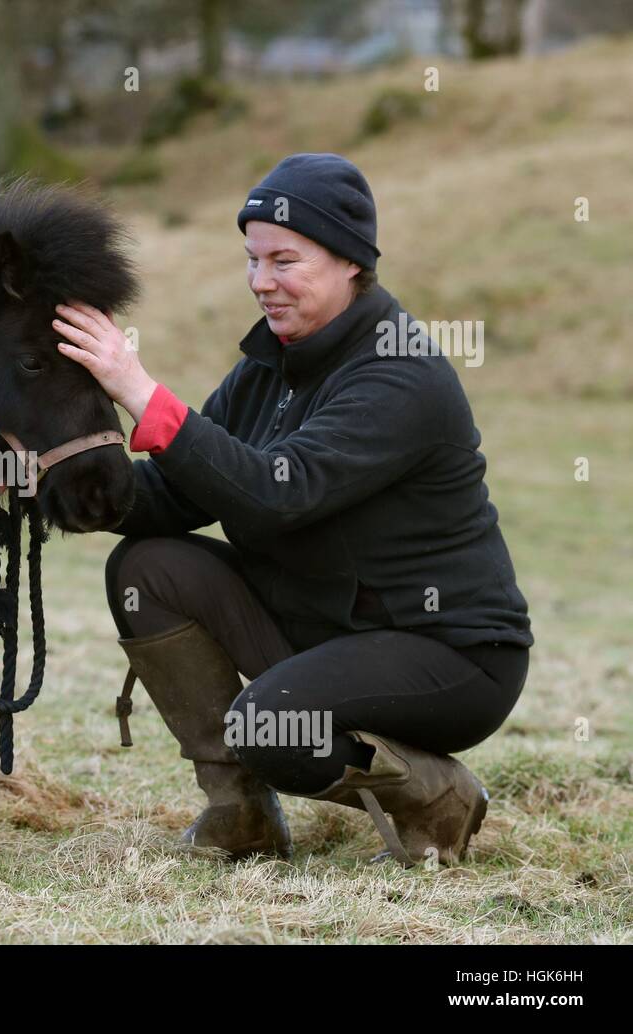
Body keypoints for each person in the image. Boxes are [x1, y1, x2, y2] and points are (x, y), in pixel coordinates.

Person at [51, 153, 532, 866]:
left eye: (285, 261)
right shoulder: (270, 364)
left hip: (450, 653)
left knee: (272, 726)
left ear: (349, 263)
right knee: (146, 567)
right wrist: (57, 480)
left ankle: (436, 792)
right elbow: (182, 493)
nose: (261, 283)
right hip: (328, 627)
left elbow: (278, 493)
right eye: (252, 260)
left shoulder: (401, 373)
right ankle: (239, 814)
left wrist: (139, 390)